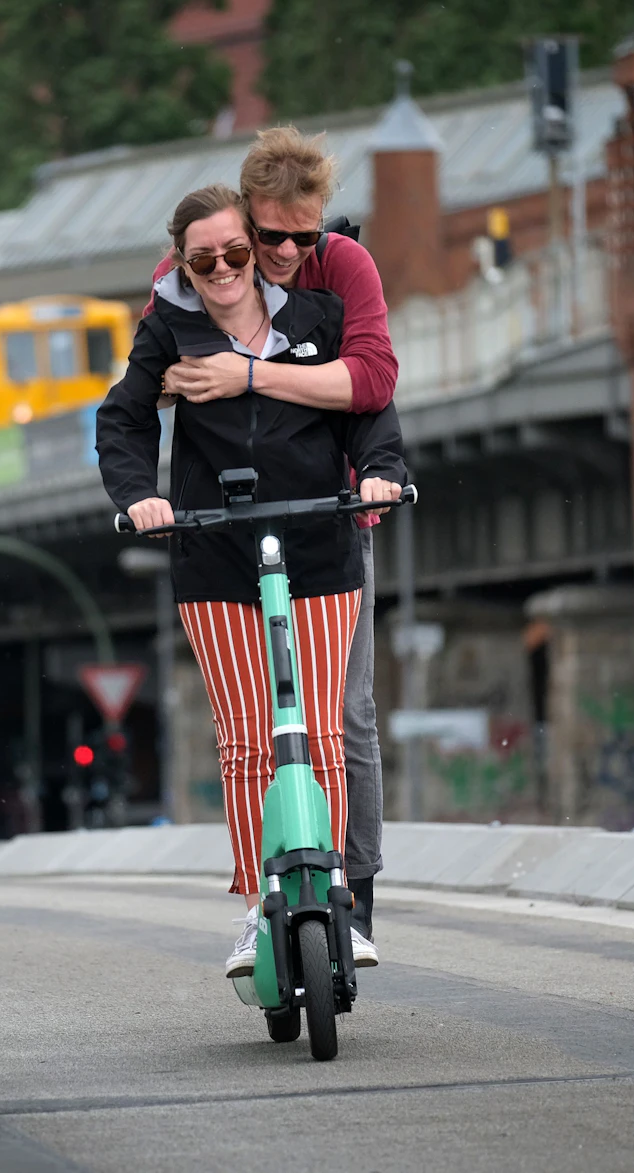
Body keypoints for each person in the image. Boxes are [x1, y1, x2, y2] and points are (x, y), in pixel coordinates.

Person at [99, 184, 407, 979]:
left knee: (325, 735)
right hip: (217, 554)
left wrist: (379, 473)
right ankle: (253, 908)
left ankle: (338, 892)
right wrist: (140, 498)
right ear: (185, 268)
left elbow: (371, 410)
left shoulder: (319, 318)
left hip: (318, 543)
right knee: (245, 742)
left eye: (238, 253)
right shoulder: (170, 332)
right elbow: (123, 419)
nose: (227, 269)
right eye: (205, 261)